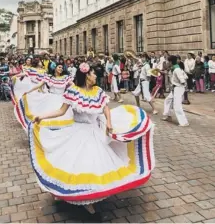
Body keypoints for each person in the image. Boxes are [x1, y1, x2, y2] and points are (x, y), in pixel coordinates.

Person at [29, 62, 155, 213]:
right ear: (87, 76)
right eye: (93, 73)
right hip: (78, 132)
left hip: (95, 131)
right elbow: (61, 111)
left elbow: (106, 108)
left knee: (95, 164)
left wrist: (108, 122)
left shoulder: (98, 91)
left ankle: (90, 195)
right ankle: (80, 197)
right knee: (77, 164)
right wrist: (41, 116)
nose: (96, 76)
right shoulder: (73, 91)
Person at [16, 63, 73, 131]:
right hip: (50, 98)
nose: (61, 69)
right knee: (49, 117)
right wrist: (28, 91)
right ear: (55, 68)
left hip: (61, 99)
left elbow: (73, 86)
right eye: (59, 67)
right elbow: (38, 85)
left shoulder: (65, 77)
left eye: (62, 68)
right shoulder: (49, 77)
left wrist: (69, 93)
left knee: (61, 117)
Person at [162, 55, 189, 127]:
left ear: (170, 62)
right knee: (168, 100)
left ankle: (184, 122)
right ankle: (168, 116)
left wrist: (184, 85)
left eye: (168, 61)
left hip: (178, 88)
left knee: (177, 105)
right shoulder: (174, 68)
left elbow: (183, 78)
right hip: (175, 88)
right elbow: (172, 75)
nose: (167, 63)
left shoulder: (177, 69)